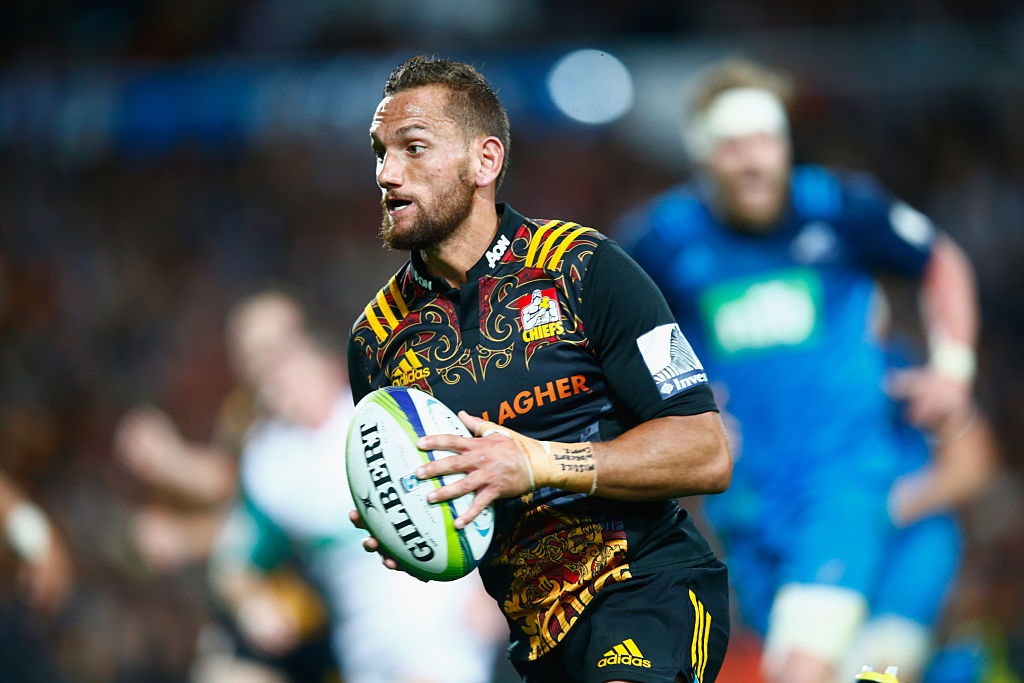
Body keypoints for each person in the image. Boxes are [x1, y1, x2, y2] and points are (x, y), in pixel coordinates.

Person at [347, 55, 733, 683]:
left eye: (413, 148)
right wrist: (411, 523)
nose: (387, 174)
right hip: (535, 640)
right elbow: (454, 518)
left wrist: (535, 462)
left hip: (650, 588)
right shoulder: (377, 341)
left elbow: (705, 450)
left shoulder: (584, 268)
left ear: (485, 161)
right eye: (379, 152)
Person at [618, 57, 996, 683]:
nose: (754, 159)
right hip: (748, 505)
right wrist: (666, 406)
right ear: (704, 156)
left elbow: (939, 258)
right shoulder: (662, 239)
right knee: (824, 670)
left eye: (766, 139)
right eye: (733, 145)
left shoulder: (839, 209)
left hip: (842, 482)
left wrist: (954, 367)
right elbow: (610, 334)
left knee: (805, 669)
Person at [209, 287, 502, 683]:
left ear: (327, 365)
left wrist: (487, 589)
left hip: (441, 619)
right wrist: (251, 605)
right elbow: (234, 557)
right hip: (363, 643)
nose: (285, 385)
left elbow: (476, 480)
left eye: (295, 369)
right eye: (274, 377)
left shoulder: (392, 416)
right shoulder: (271, 466)